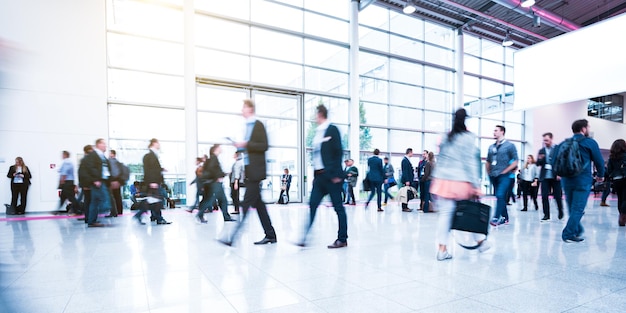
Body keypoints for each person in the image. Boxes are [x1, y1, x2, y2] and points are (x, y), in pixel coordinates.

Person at [431, 108, 488, 261]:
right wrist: (476, 184)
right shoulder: (468, 137)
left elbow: (440, 159)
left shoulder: (445, 137)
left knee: (445, 216)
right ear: (465, 120)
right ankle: (480, 242)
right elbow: (470, 162)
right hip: (460, 181)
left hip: (442, 181)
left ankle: (442, 250)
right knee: (470, 211)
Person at [221, 99, 276, 246]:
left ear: (250, 109)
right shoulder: (247, 127)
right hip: (250, 170)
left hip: (256, 171)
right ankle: (271, 235)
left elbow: (264, 145)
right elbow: (250, 149)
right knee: (259, 205)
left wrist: (246, 144)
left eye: (244, 107)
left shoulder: (257, 125)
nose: (242, 110)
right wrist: (240, 146)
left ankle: (232, 237)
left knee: (245, 203)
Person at [299, 104, 348, 248]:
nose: (314, 118)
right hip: (320, 177)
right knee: (312, 204)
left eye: (315, 114)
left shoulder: (332, 129)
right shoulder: (318, 133)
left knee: (338, 207)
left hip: (332, 177)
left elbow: (338, 152)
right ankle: (304, 237)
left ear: (320, 114)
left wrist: (337, 174)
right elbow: (318, 156)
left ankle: (342, 239)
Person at [558, 119, 604, 242]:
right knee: (578, 209)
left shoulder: (564, 143)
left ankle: (576, 230)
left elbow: (554, 160)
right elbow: (599, 161)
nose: (589, 129)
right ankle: (567, 233)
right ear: (583, 129)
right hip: (582, 180)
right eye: (588, 127)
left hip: (566, 180)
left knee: (572, 208)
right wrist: (601, 175)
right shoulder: (589, 142)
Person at [486, 125, 519, 226]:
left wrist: (506, 170)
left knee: (500, 195)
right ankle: (505, 218)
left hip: (504, 176)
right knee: (499, 197)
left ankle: (496, 217)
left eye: (496, 131)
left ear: (502, 132)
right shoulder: (491, 147)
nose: (494, 132)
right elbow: (488, 161)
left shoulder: (510, 145)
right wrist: (488, 173)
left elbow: (515, 161)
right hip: (494, 175)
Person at [134, 138, 171, 225]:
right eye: (158, 143)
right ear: (154, 143)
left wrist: (161, 169)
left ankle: (155, 217)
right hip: (153, 182)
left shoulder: (153, 155)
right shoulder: (150, 156)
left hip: (154, 182)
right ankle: (156, 218)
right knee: (156, 200)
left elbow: (153, 168)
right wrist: (152, 182)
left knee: (154, 201)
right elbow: (149, 170)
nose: (159, 145)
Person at [195, 144, 235, 223]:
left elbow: (212, 169)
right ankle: (200, 214)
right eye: (219, 147)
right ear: (215, 149)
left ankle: (225, 216)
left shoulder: (211, 159)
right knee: (218, 200)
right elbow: (213, 170)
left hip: (212, 182)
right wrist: (220, 176)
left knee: (216, 199)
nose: (221, 149)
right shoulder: (214, 158)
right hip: (215, 183)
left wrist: (223, 174)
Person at [81, 139, 112, 227]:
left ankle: (91, 221)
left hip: (102, 180)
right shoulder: (93, 155)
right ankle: (102, 212)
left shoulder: (102, 156)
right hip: (98, 181)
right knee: (104, 199)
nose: (105, 145)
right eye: (103, 144)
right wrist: (95, 179)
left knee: (94, 202)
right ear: (98, 144)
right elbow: (91, 168)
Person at [536, 132, 565, 221]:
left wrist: (560, 173)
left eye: (547, 140)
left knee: (557, 196)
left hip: (555, 176)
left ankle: (560, 211)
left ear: (551, 139)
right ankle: (546, 215)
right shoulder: (541, 151)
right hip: (545, 176)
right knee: (544, 196)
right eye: (544, 140)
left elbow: (562, 162)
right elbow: (538, 163)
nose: (545, 142)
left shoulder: (558, 149)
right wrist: (540, 159)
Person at [607, 139, 626, 226]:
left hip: (616, 179)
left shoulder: (612, 157)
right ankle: (623, 215)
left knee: (620, 198)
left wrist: (612, 176)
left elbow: (609, 170)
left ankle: (621, 215)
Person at [58, 151, 80, 215]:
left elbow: (64, 173)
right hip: (69, 182)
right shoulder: (69, 162)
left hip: (67, 182)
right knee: (63, 197)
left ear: (65, 155)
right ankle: (58, 210)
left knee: (71, 197)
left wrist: (62, 182)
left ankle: (77, 209)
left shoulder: (66, 162)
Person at [77, 144, 95, 221]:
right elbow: (83, 173)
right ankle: (88, 218)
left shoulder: (85, 160)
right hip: (88, 185)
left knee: (88, 201)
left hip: (87, 184)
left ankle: (88, 217)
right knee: (88, 201)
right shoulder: (86, 160)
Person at [106, 149, 123, 217]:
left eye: (110, 153)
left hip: (112, 181)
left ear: (112, 154)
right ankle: (119, 211)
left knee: (112, 197)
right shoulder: (118, 162)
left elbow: (112, 172)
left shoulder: (110, 161)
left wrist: (112, 180)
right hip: (118, 181)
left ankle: (114, 211)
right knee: (118, 196)